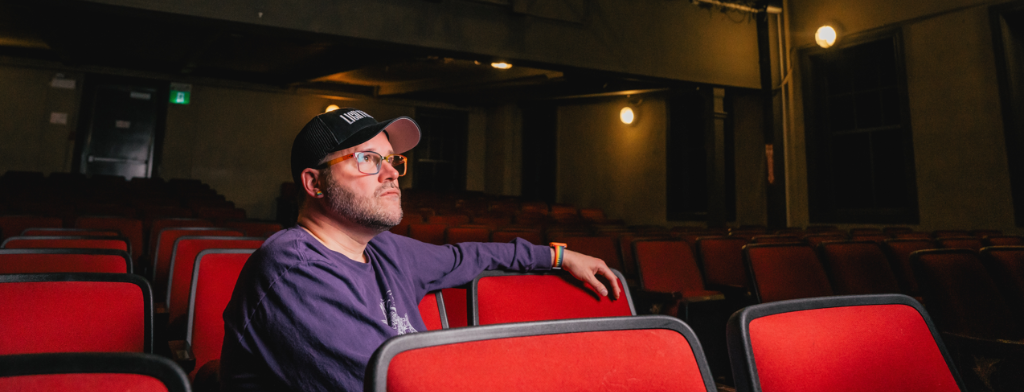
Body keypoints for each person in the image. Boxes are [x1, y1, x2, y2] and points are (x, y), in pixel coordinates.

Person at [219, 108, 622, 392]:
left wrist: (558, 256)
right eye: (367, 159)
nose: (392, 172)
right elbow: (394, 383)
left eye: (391, 159)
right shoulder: (293, 269)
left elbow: (470, 257)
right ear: (314, 183)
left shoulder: (386, 251)